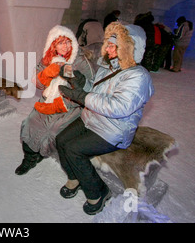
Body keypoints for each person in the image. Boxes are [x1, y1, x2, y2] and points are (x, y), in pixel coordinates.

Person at [55, 22, 154, 215]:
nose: (107, 48)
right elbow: (97, 89)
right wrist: (80, 82)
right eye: (108, 43)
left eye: (113, 45)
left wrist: (82, 97)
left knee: (74, 150)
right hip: (92, 118)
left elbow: (119, 106)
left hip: (114, 130)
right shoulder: (109, 65)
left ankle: (98, 193)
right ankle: (75, 178)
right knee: (61, 140)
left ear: (129, 48)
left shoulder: (138, 77)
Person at [15, 25, 95, 175]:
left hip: (72, 106)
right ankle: (30, 158)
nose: (65, 46)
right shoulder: (47, 59)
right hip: (48, 101)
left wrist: (63, 103)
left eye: (68, 42)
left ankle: (43, 153)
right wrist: (46, 73)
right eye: (60, 43)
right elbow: (38, 84)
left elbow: (91, 88)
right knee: (30, 123)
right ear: (53, 45)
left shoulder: (80, 61)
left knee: (53, 131)